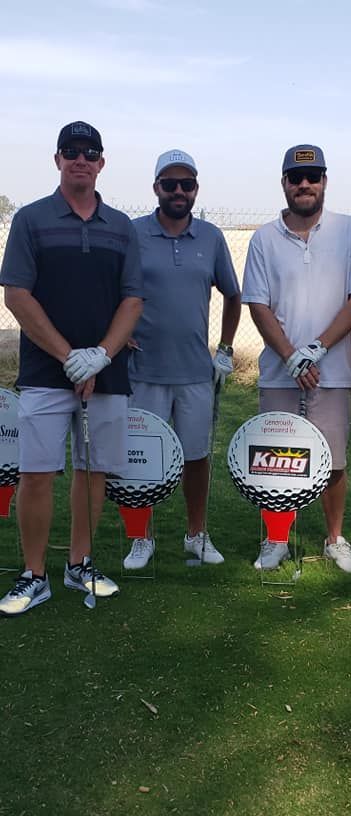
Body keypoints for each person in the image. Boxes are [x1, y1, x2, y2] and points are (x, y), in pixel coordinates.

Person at [0, 121, 144, 617]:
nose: (80, 159)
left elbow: (132, 299)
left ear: (101, 162)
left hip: (107, 372)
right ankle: (34, 574)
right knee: (37, 474)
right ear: (57, 159)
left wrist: (101, 355)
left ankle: (80, 563)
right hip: (45, 372)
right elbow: (17, 294)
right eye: (71, 151)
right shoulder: (32, 220)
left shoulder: (122, 226)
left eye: (90, 152)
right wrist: (69, 357)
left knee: (93, 471)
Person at [242, 144, 351, 572]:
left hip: (331, 373)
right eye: (296, 178)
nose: (305, 184)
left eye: (313, 176)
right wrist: (290, 357)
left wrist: (317, 348)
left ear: (324, 182)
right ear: (284, 183)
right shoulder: (264, 238)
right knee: (275, 462)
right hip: (280, 374)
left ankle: (335, 539)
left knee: (333, 461)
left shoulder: (350, 231)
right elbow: (258, 305)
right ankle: (277, 539)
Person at [123, 149, 241, 570]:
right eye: (169, 184)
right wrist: (115, 338)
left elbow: (232, 293)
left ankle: (196, 534)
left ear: (195, 189)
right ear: (156, 187)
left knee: (196, 457)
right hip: (143, 372)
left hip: (194, 371)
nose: (178, 191)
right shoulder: (132, 233)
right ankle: (141, 538)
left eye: (186, 184)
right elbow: (110, 288)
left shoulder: (210, 237)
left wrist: (225, 349)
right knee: (140, 457)